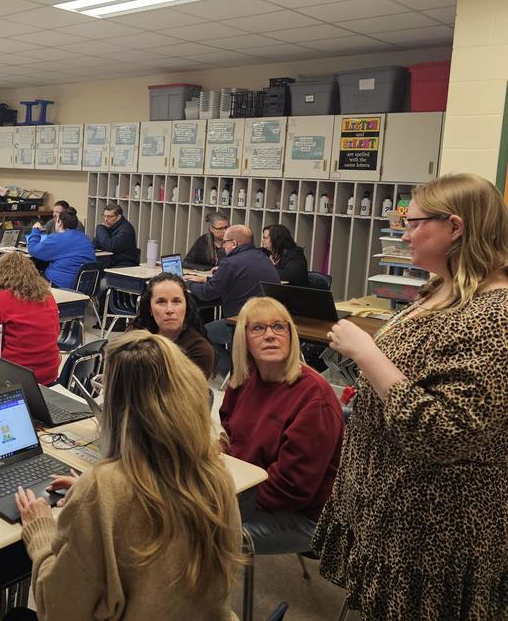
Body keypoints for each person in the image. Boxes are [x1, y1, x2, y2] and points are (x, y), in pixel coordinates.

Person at [313, 173, 508, 621]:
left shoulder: (495, 315)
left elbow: (444, 433)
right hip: (392, 514)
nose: (404, 234)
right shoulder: (442, 290)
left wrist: (366, 352)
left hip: (434, 532)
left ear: (455, 228)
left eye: (414, 222)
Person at [15, 330, 243, 621]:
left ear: (116, 405)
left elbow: (59, 610)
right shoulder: (216, 474)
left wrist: (41, 532)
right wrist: (94, 497)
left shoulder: (102, 488)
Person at [220, 297, 344, 554]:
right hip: (253, 491)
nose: (270, 335)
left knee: (200, 532)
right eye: (258, 328)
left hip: (304, 516)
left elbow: (292, 488)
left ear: (291, 335)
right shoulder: (244, 380)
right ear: (244, 338)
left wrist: (225, 498)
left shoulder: (313, 396)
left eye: (279, 327)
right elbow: (230, 435)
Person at [187, 225, 280, 377]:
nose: (223, 246)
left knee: (199, 334)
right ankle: (240, 370)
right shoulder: (263, 257)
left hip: (241, 323)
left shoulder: (230, 262)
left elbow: (207, 293)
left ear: (234, 243)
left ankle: (232, 373)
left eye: (225, 242)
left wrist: (188, 283)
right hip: (268, 321)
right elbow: (240, 280)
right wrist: (207, 279)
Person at [0, 251, 61, 386]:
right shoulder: (48, 297)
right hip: (50, 374)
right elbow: (56, 331)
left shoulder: (0, 298)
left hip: (17, 376)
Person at [129, 271, 215, 379]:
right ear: (150, 308)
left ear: (186, 306)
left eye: (176, 301)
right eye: (161, 302)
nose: (169, 310)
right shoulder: (134, 336)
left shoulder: (200, 350)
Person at [27, 209, 95, 289]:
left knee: (29, 276)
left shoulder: (57, 238)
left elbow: (32, 249)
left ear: (59, 223)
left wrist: (35, 231)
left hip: (60, 283)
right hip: (84, 285)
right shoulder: (85, 238)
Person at [91, 203, 140, 268]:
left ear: (118, 217)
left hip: (123, 265)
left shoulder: (126, 230)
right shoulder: (108, 227)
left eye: (109, 216)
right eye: (104, 216)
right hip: (110, 262)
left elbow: (109, 247)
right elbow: (94, 244)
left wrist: (100, 228)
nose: (105, 219)